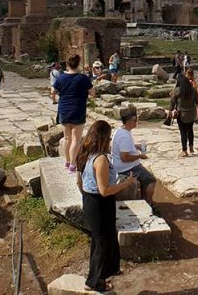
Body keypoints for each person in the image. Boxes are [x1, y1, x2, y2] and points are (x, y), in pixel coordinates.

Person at [76, 120, 137, 293]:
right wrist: (126, 184)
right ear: (103, 138)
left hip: (90, 200)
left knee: (102, 239)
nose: (110, 141)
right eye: (109, 138)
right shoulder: (100, 159)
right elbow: (104, 190)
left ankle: (102, 276)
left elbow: (79, 182)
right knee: (102, 243)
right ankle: (94, 281)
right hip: (100, 202)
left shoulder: (84, 152)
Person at [112, 105, 159, 215]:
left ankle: (144, 199)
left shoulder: (120, 131)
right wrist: (139, 156)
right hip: (127, 167)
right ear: (128, 121)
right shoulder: (125, 136)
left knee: (146, 176)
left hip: (122, 165)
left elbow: (124, 148)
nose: (136, 122)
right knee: (151, 180)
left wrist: (134, 147)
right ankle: (149, 203)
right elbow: (125, 158)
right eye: (134, 120)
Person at [56, 54, 96, 173]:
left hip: (63, 110)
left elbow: (53, 90)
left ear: (68, 64)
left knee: (67, 138)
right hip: (77, 110)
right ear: (78, 63)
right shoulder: (83, 78)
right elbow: (93, 93)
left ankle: (67, 161)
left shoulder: (61, 77)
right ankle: (73, 164)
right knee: (75, 139)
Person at [173, 69, 198, 157]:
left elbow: (172, 103)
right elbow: (197, 102)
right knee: (190, 130)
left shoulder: (177, 90)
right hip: (191, 113)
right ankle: (191, 147)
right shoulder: (193, 90)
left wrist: (170, 112)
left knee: (183, 132)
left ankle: (184, 150)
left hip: (181, 113)